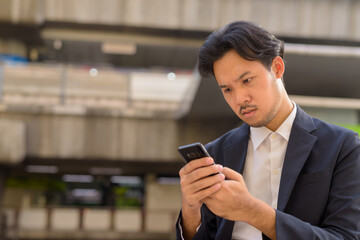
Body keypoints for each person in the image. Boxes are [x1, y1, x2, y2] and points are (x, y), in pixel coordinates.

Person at [176, 21, 360, 240]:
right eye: (227, 89)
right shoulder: (217, 152)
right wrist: (190, 209)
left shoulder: (343, 146)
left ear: (277, 68)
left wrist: (253, 212)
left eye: (247, 80)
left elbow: (346, 236)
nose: (239, 99)